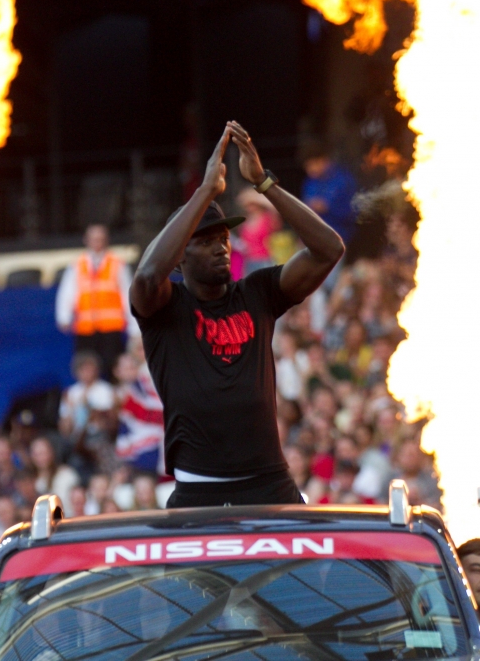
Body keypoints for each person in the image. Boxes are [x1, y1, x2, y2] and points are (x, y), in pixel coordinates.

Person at [130, 121, 344, 507]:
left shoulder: (256, 293)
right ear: (179, 257)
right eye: (206, 240)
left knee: (308, 569)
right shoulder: (164, 306)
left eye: (224, 238)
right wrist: (205, 191)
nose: (221, 247)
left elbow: (329, 249)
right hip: (198, 489)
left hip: (270, 481)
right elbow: (146, 274)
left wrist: (264, 183)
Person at [55, 224, 135, 375]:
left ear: (106, 240)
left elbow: (127, 294)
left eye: (100, 239)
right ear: (86, 240)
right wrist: (64, 316)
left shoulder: (118, 264)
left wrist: (133, 324)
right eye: (94, 239)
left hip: (111, 327)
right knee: (85, 367)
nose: (97, 243)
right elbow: (67, 292)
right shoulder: (77, 265)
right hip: (85, 327)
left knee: (113, 367)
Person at [300, 141, 359, 245]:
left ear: (324, 160)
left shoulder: (343, 180)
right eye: (307, 166)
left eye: (312, 164)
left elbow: (354, 211)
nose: (310, 169)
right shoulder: (309, 182)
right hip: (314, 239)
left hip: (340, 239)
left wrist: (328, 207)